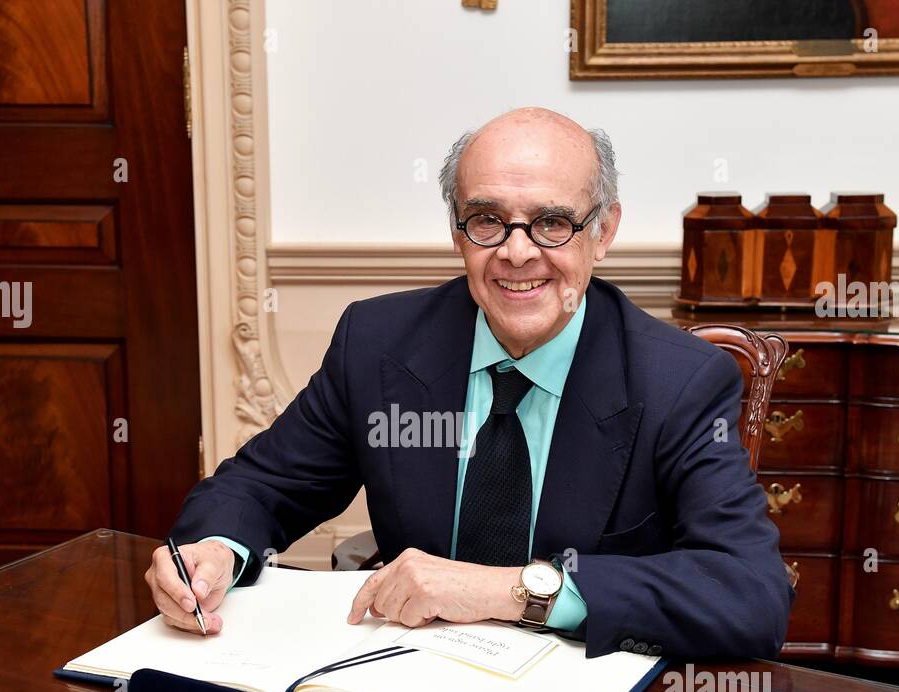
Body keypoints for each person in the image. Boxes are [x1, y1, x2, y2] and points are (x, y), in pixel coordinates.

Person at [145, 107, 794, 659]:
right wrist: (212, 552)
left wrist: (511, 590)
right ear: (457, 231)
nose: (517, 252)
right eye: (488, 220)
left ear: (604, 231)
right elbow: (262, 486)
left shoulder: (679, 380)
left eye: (552, 222)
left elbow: (750, 594)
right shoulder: (378, 344)